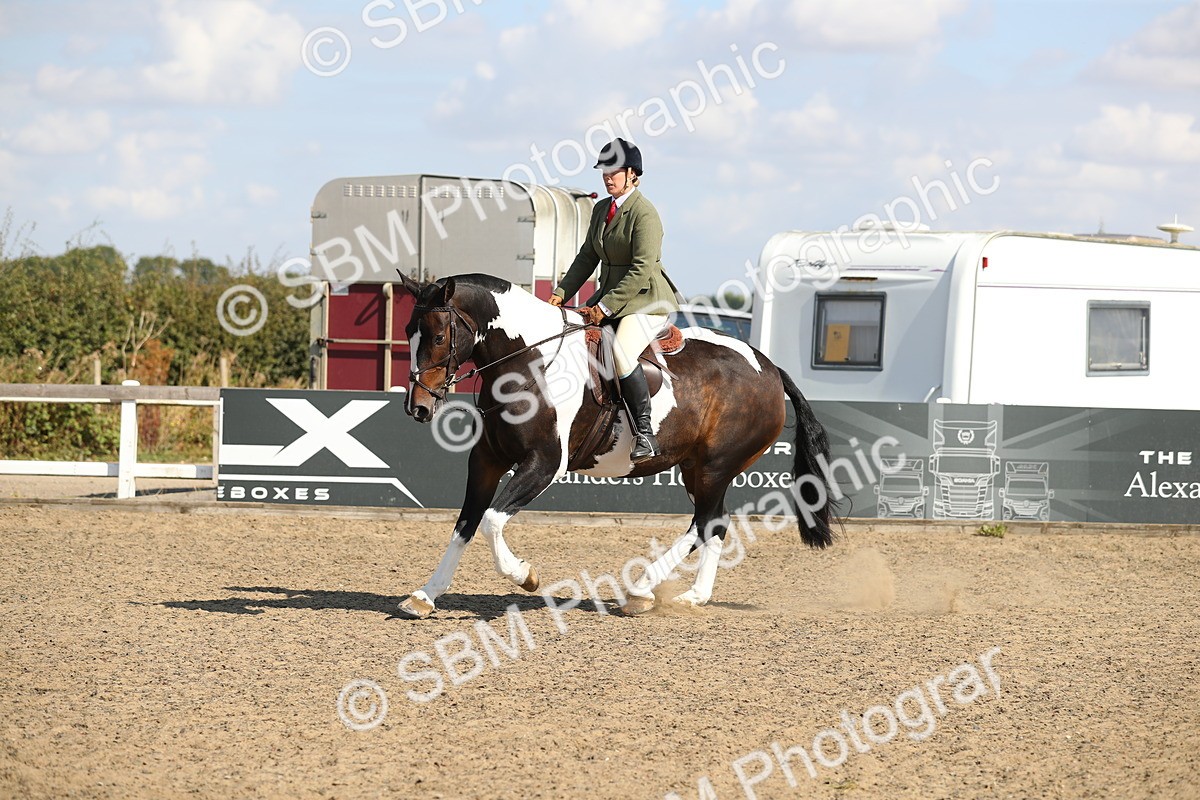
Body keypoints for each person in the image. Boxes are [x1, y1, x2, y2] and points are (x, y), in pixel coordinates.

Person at [549, 138, 680, 463]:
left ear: (632, 173)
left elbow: (640, 270)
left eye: (615, 171)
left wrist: (604, 308)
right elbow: (587, 256)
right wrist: (561, 292)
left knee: (621, 354)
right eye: (605, 171)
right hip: (607, 296)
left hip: (645, 300)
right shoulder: (601, 209)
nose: (608, 177)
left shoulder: (644, 214)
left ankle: (645, 435)